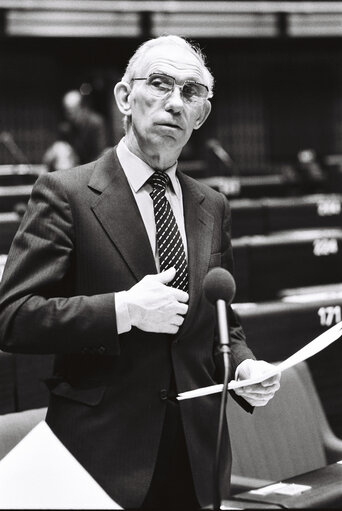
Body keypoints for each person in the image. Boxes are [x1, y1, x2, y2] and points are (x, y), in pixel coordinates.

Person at [0, 35, 280, 510]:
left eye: (191, 93)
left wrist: (245, 365)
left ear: (201, 115)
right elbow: (14, 317)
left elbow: (221, 320)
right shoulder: (65, 193)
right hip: (101, 456)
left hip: (197, 458)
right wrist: (123, 309)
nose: (175, 102)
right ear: (125, 98)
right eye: (160, 83)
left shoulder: (212, 205)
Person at [60, 89, 107, 164]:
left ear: (81, 108)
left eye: (71, 112)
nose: (68, 116)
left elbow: (100, 151)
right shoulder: (67, 128)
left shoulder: (96, 123)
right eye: (66, 111)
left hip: (94, 165)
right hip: (76, 166)